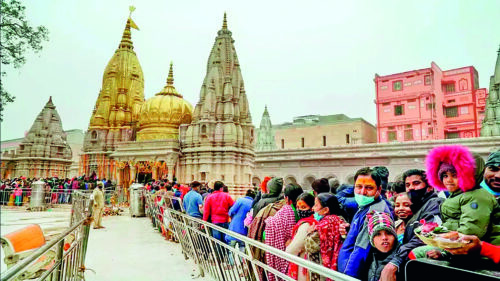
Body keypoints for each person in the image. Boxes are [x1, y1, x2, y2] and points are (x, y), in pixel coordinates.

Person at [426, 145, 500, 244]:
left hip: (476, 250)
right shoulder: (455, 194)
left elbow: (471, 231)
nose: (449, 180)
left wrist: (444, 245)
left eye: (455, 175)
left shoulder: (477, 196)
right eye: (445, 176)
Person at [380, 169, 443, 281]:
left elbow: (424, 236)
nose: (411, 188)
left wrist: (395, 262)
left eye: (416, 183)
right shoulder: (418, 207)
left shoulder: (434, 204)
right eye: (408, 185)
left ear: (429, 187)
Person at [337, 167, 392, 279]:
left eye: (369, 188)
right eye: (358, 187)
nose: (362, 192)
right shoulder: (365, 206)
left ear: (379, 189)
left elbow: (360, 252)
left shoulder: (375, 212)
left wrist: (346, 277)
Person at [265, 183, 303, 281]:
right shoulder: (306, 210)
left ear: (286, 198)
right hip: (300, 257)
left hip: (284, 255)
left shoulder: (284, 212)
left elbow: (270, 228)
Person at [305, 193, 347, 280]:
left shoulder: (321, 226)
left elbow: (310, 247)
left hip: (322, 270)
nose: (313, 208)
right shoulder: (341, 220)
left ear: (325, 210)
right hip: (338, 266)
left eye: (316, 205)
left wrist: (309, 233)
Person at [286, 192, 316, 281]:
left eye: (304, 207)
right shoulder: (312, 221)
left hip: (302, 267)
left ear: (311, 208)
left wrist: (289, 244)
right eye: (298, 207)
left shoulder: (306, 225)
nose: (299, 210)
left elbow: (291, 251)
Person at [366, 211, 400, 281]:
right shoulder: (369, 258)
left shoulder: (401, 262)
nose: (384, 237)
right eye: (378, 234)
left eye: (388, 233)